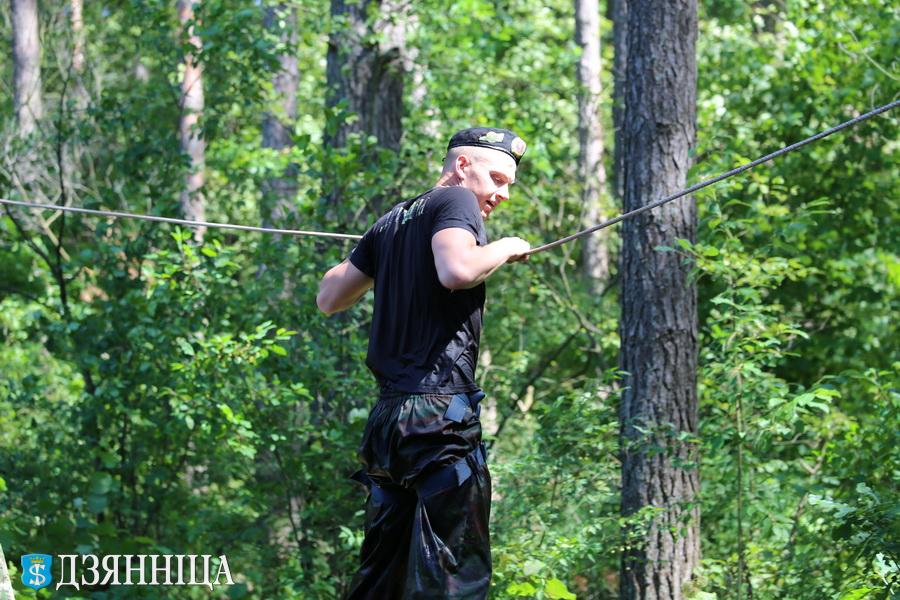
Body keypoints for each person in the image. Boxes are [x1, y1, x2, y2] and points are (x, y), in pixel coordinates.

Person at [317, 127, 530, 599]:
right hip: (438, 419)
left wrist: (384, 246)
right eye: (497, 179)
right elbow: (457, 270)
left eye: (509, 184)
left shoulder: (393, 219)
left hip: (388, 425)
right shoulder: (457, 201)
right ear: (462, 166)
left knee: (381, 578)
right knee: (453, 575)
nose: (503, 194)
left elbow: (329, 296)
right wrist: (507, 246)